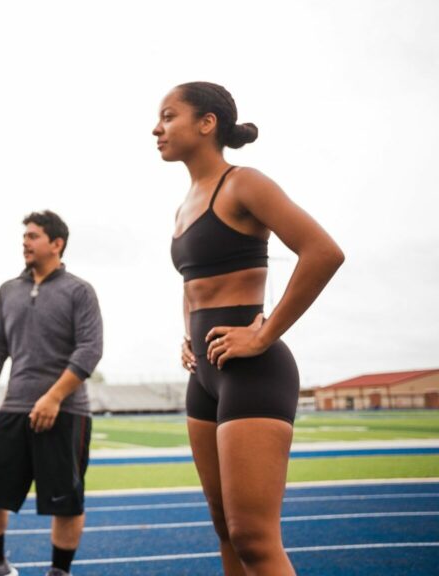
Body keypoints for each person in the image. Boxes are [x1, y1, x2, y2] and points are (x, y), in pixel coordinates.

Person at [155, 82, 344, 575]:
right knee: (224, 531)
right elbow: (192, 284)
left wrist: (263, 334)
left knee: (254, 538)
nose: (157, 128)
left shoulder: (243, 183)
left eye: (169, 116)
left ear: (206, 123)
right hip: (206, 377)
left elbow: (323, 252)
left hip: (253, 372)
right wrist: (188, 336)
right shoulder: (184, 205)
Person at [0, 211, 103, 576]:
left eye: (33, 236)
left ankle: (59, 571)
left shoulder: (79, 291)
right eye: (24, 236)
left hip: (66, 411)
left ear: (56, 244)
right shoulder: (7, 290)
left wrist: (54, 397)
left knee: (65, 502)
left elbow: (89, 349)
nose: (25, 241)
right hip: (14, 407)